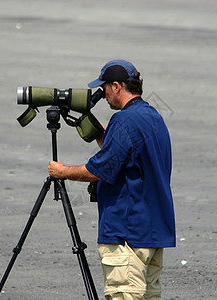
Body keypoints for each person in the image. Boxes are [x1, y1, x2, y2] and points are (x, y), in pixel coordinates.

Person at [48, 59, 175, 300]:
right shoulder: (153, 116)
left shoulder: (124, 120)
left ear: (116, 86)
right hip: (153, 230)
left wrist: (62, 171)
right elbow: (134, 159)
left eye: (105, 88)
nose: (104, 95)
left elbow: (101, 170)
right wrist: (107, 140)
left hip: (126, 232)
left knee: (124, 294)